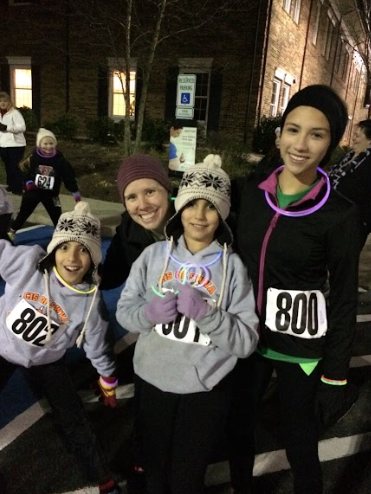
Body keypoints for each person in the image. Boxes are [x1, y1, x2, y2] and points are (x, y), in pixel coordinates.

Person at [231, 85, 360, 494]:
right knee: (237, 429)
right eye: (292, 129)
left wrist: (335, 375)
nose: (300, 145)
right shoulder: (251, 194)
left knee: (300, 441)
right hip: (245, 338)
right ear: (279, 133)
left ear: (331, 144)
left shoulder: (339, 214)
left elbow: (342, 296)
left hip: (299, 347)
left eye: (316, 134)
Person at [116, 154, 259, 494]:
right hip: (152, 381)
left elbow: (245, 341)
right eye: (191, 205)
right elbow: (124, 311)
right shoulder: (152, 257)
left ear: (222, 213)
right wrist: (148, 314)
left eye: (210, 206)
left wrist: (208, 314)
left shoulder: (233, 268)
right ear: (179, 208)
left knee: (186, 478)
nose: (198, 215)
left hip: (204, 391)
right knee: (153, 471)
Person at [0, 201, 121, 494]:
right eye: (65, 247)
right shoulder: (29, 262)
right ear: (54, 249)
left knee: (72, 417)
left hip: (47, 361)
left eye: (83, 250)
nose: (72, 257)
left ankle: (100, 474)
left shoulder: (89, 303)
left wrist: (108, 380)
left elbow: (97, 345)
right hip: (2, 346)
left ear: (94, 259)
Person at [100, 153, 175, 492]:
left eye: (150, 192)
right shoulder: (129, 232)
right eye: (131, 196)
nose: (142, 204)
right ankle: (144, 459)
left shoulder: (197, 218)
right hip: (154, 340)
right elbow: (107, 276)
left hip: (201, 342)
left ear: (167, 190)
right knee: (148, 408)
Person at [8, 128, 81, 241]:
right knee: (23, 213)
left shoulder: (60, 161)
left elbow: (68, 177)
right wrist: (28, 183)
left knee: (57, 216)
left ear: (55, 144)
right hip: (33, 192)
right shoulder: (34, 157)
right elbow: (26, 173)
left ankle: (59, 236)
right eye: (45, 143)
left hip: (51, 194)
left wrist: (75, 194)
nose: (48, 146)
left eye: (51, 143)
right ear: (39, 144)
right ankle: (12, 231)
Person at [328, 119, 371, 251]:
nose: (353, 139)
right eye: (354, 135)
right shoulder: (348, 156)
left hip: (353, 224)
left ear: (369, 140)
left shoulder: (369, 162)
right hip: (332, 217)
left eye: (358, 136)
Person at [0, 91, 26, 194]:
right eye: (0, 101)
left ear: (9, 102)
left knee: (15, 166)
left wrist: (7, 128)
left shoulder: (14, 113)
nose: (3, 103)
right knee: (7, 166)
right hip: (3, 144)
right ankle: (11, 185)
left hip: (16, 145)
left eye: (5, 101)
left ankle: (18, 188)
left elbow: (22, 127)